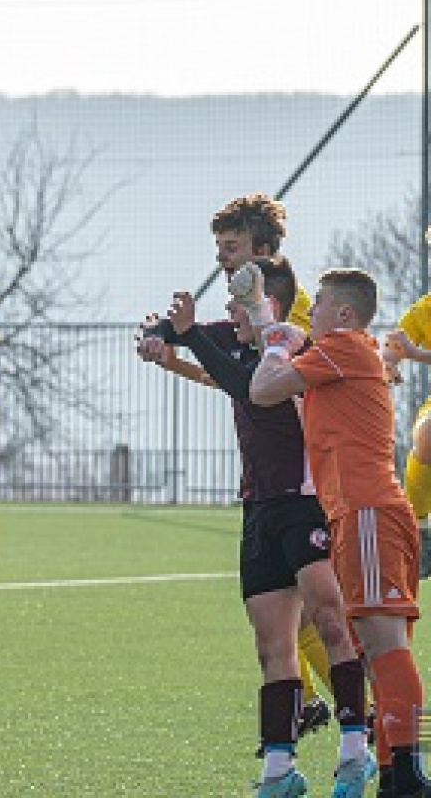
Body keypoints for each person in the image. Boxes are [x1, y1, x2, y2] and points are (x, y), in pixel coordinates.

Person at [138, 258, 371, 797]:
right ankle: (280, 771)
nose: (230, 313)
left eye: (240, 303)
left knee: (331, 621)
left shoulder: (294, 344)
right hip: (259, 508)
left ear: (269, 304)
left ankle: (355, 753)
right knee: (273, 646)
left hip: (306, 503)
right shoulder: (240, 339)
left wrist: (191, 335)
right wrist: (158, 336)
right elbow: (183, 339)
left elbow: (248, 385)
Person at [156, 192, 333, 738]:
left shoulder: (291, 317)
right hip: (268, 486)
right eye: (219, 247)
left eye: (230, 248)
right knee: (294, 621)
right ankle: (328, 712)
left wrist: (184, 342)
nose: (221, 259)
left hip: (308, 487)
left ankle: (379, 717)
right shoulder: (250, 317)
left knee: (320, 619)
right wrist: (173, 356)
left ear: (262, 249)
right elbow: (234, 378)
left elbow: (259, 390)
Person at [248, 267, 430, 798]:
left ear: (344, 313)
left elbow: (263, 390)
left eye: (321, 304)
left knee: (386, 646)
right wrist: (267, 324)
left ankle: (410, 770)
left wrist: (277, 342)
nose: (314, 313)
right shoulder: (342, 357)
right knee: (377, 649)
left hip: (368, 510)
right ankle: (399, 764)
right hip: (358, 514)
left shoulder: (344, 346)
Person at [382, 293, 431, 578]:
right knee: (427, 433)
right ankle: (419, 530)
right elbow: (394, 345)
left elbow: (409, 349)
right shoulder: (424, 309)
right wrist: (387, 363)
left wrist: (415, 354)